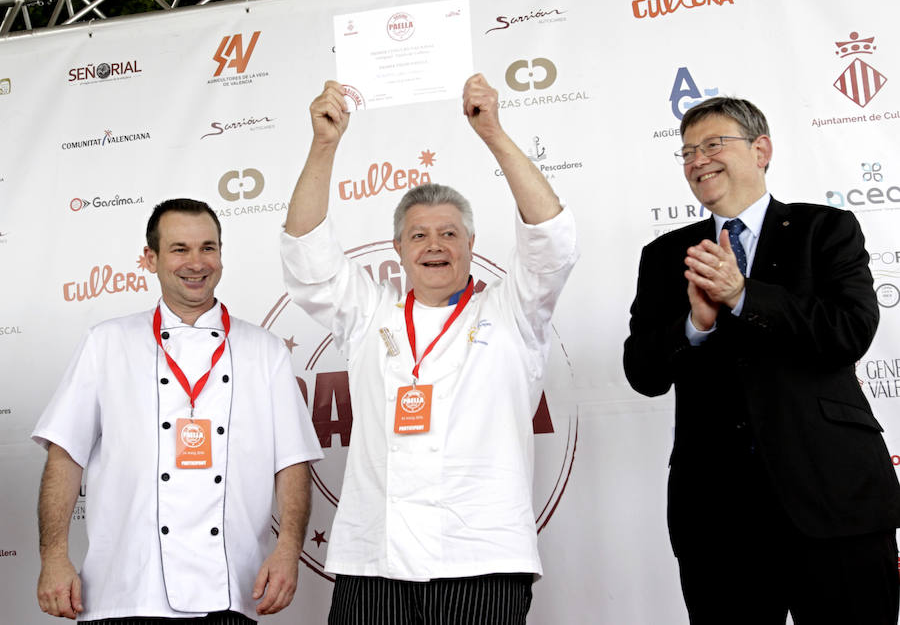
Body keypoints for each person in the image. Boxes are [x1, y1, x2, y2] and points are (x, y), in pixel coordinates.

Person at [280, 74, 577, 624]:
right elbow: (306, 258)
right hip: (375, 565)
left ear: (471, 244)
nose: (434, 245)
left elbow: (552, 240)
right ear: (398, 249)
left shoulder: (512, 311)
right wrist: (325, 144)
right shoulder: (371, 312)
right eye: (419, 235)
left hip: (481, 561)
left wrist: (492, 133)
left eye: (448, 233)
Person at [623, 97, 900, 624]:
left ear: (761, 149)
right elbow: (643, 373)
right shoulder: (664, 256)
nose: (698, 160)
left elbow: (850, 333)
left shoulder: (827, 230)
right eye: (687, 152)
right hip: (717, 516)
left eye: (713, 144)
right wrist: (696, 325)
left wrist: (745, 294)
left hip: (833, 498)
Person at [33, 198, 323, 623]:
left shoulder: (264, 350)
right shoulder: (106, 343)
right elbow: (65, 455)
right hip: (126, 591)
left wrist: (287, 550)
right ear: (151, 259)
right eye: (179, 249)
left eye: (208, 247)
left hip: (228, 591)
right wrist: (54, 557)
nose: (196, 262)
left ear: (221, 255)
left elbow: (292, 461)